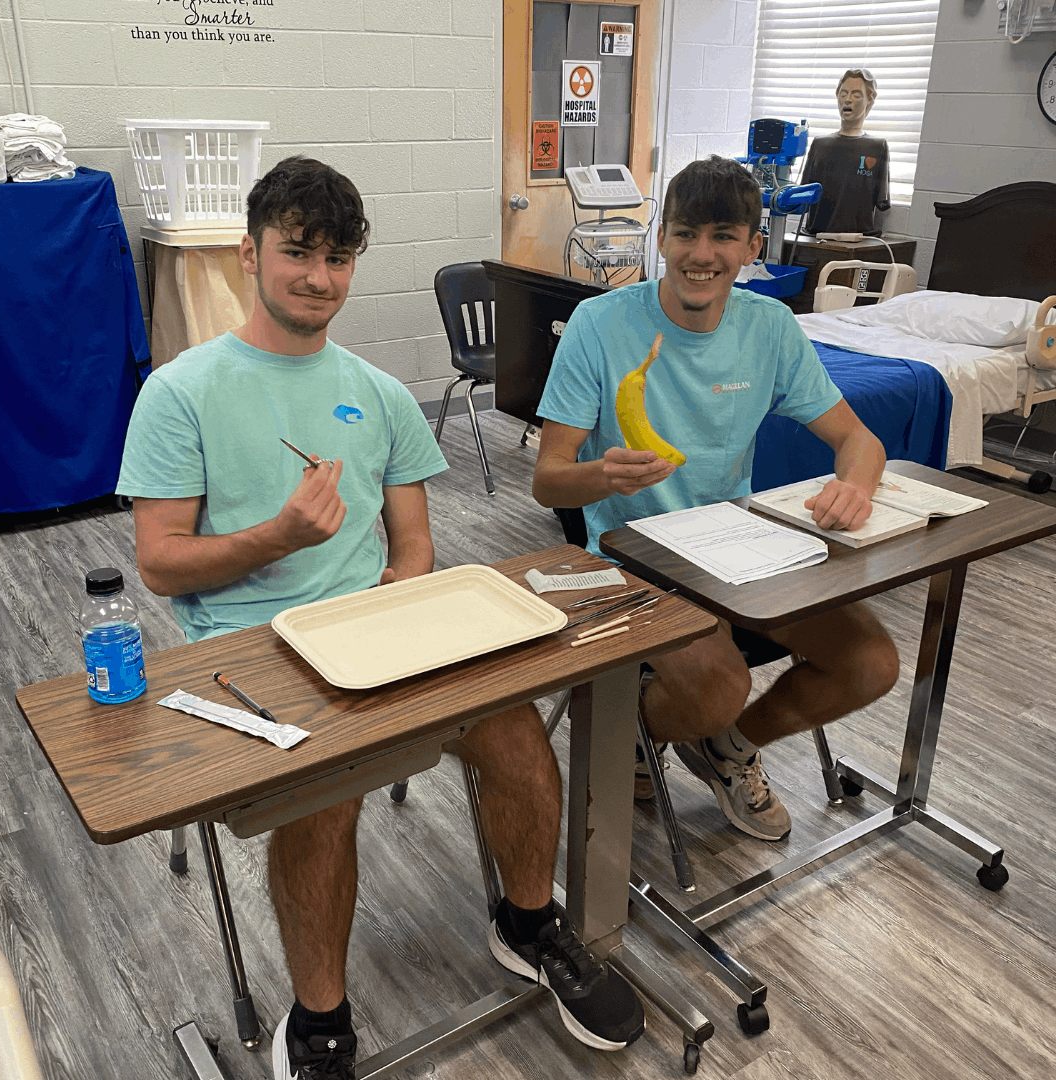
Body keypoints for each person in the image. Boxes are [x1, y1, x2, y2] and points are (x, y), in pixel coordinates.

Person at [116, 156, 644, 1080]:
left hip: (380, 634)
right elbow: (160, 564)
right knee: (327, 798)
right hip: (246, 655)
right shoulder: (180, 393)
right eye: (298, 253)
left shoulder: (382, 392)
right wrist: (275, 536)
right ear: (250, 253)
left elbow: (413, 547)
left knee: (519, 733)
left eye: (339, 258)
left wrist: (402, 614)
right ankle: (320, 1022)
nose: (320, 277)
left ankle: (528, 924)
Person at [532, 155, 899, 843]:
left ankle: (723, 746)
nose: (701, 255)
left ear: (753, 247)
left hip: (737, 554)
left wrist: (855, 485)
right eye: (686, 234)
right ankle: (647, 727)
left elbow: (861, 442)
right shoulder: (599, 324)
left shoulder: (770, 327)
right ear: (662, 237)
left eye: (724, 235)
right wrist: (602, 475)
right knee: (717, 680)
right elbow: (548, 478)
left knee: (871, 662)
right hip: (628, 561)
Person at [800, 68, 891, 236]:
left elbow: (882, 202)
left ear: (869, 100)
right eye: (843, 94)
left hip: (858, 239)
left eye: (856, 95)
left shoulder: (877, 147)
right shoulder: (820, 144)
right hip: (816, 236)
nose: (848, 100)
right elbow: (804, 194)